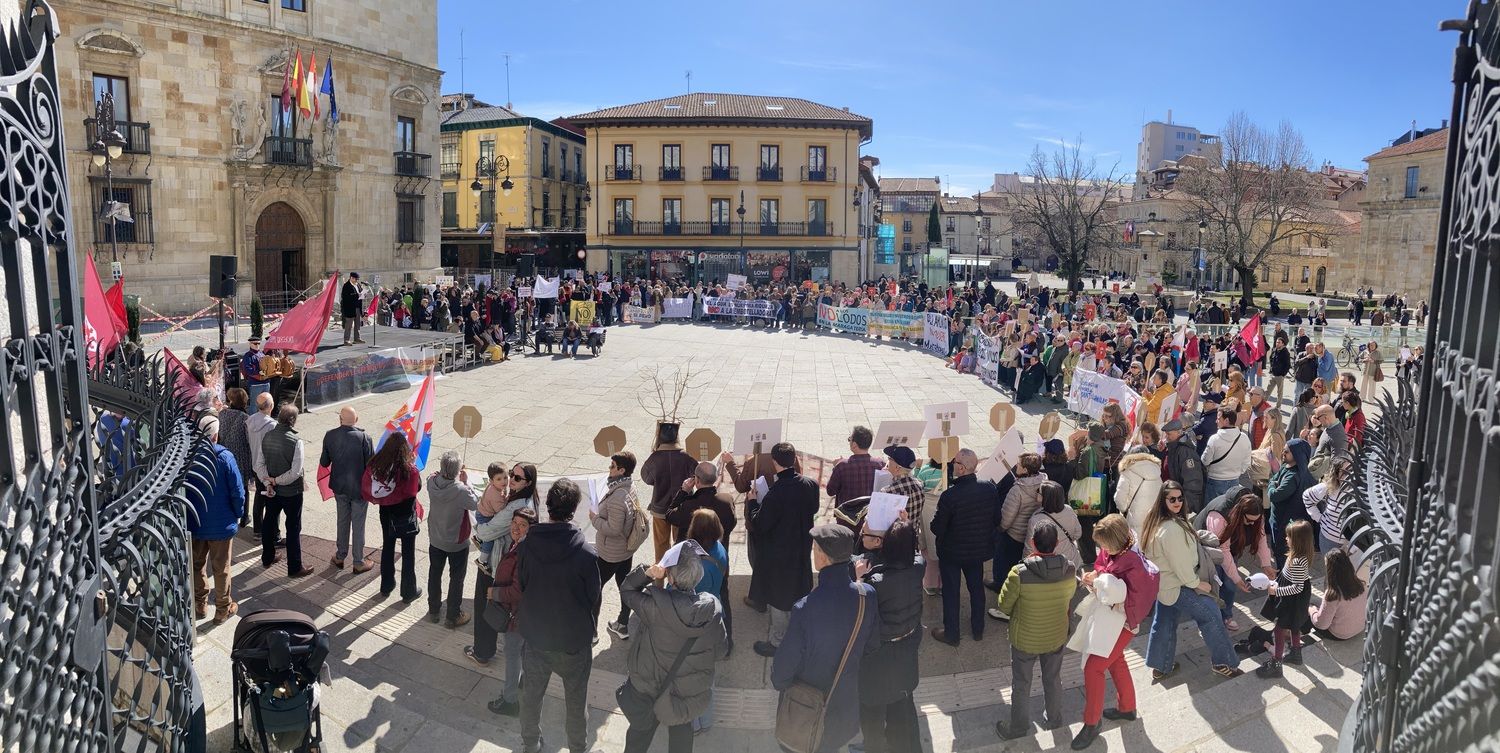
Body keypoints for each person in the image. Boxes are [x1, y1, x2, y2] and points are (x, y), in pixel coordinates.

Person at [770, 524, 878, 753]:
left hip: (807, 709)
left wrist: (781, 684)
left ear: (822, 557)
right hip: (844, 704)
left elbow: (783, 669)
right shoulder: (866, 595)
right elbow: (872, 644)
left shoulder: (805, 608)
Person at [517, 479, 603, 753]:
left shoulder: (526, 545)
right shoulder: (586, 553)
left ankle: (531, 743)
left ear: (548, 506)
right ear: (574, 510)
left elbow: (523, 583)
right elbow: (593, 597)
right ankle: (577, 747)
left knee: (531, 697)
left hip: (536, 637)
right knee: (576, 703)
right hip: (573, 641)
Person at [618, 544, 728, 753]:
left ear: (670, 577)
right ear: (698, 576)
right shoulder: (712, 611)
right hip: (686, 693)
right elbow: (721, 651)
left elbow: (627, 590)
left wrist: (649, 573)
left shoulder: (654, 606)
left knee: (639, 737)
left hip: (649, 687)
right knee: (682, 737)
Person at [1140, 482, 1244, 681]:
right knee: (1211, 615)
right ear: (1163, 500)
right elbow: (1180, 564)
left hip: (1165, 585)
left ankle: (1161, 666)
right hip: (1179, 584)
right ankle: (1224, 663)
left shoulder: (1159, 521)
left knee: (1164, 622)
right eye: (1172, 499)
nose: (1177, 502)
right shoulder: (1171, 529)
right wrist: (1197, 583)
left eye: (1180, 498)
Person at [993, 521, 1077, 739]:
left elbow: (1003, 605)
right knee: (1053, 678)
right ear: (1057, 543)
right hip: (1056, 635)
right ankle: (1054, 719)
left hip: (1025, 639)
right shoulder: (1069, 570)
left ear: (1032, 543)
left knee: (1021, 683)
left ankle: (1019, 727)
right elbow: (1069, 598)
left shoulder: (1018, 573)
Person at [855, 520, 924, 753]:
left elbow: (858, 608)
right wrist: (906, 525)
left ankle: (873, 747)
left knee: (872, 711)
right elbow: (916, 553)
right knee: (902, 707)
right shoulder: (918, 568)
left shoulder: (875, 582)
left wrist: (859, 579)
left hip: (878, 656)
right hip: (906, 651)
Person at [748, 442, 820, 657]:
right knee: (799, 591)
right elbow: (814, 508)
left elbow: (760, 524)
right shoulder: (810, 484)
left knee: (779, 597)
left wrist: (753, 503)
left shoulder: (775, 493)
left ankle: (778, 641)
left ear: (774, 462)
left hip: (779, 554)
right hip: (802, 547)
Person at [470, 463, 539, 669]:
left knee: (486, 606)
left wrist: (479, 526)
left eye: (517, 478)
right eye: (511, 474)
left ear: (528, 482)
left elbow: (486, 533)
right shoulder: (527, 498)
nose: (510, 480)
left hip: (497, 564)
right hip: (510, 561)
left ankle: (482, 652)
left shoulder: (515, 508)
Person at [930, 448, 1000, 646]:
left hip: (951, 553)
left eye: (955, 462)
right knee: (976, 589)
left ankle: (951, 634)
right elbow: (997, 519)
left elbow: (938, 528)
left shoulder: (950, 496)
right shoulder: (989, 488)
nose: (952, 464)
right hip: (977, 551)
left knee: (951, 592)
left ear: (961, 468)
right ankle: (978, 629)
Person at [666, 461, 737, 651]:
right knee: (722, 598)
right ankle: (726, 642)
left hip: (692, 564)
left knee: (691, 601)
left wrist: (683, 492)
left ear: (696, 480)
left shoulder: (690, 505)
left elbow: (670, 515)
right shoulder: (726, 500)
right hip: (719, 562)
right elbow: (731, 524)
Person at [188, 417, 245, 624]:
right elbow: (237, 491)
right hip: (221, 524)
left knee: (196, 565)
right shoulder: (225, 457)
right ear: (216, 435)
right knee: (222, 568)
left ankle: (200, 604)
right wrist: (238, 513)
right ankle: (222, 608)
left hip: (195, 522)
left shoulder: (187, 455)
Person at [485, 507, 537, 717]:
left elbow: (517, 591)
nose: (516, 528)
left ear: (530, 529)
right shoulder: (520, 545)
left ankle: (510, 701)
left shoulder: (523, 552)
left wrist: (494, 593)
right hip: (524, 614)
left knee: (512, 655)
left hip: (516, 616)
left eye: (522, 525)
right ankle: (521, 683)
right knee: (522, 652)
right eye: (514, 522)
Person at [361, 434, 422, 602]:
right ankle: (408, 592)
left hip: (386, 513)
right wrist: (413, 464)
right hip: (405, 515)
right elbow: (416, 488)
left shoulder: (377, 465)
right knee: (408, 553)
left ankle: (386, 586)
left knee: (388, 547)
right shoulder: (408, 470)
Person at [1253, 519, 1316, 678]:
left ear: (1298, 541)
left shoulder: (1298, 561)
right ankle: (1296, 653)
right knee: (1294, 626)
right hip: (1292, 599)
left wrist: (1277, 591)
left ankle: (1276, 663)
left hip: (1292, 601)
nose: (1286, 539)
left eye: (1289, 537)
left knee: (1279, 629)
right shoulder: (1296, 556)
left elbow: (1297, 587)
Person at [592, 451, 643, 641]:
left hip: (610, 553)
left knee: (595, 588)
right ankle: (622, 624)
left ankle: (592, 632)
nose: (609, 468)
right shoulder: (629, 486)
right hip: (626, 550)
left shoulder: (617, 497)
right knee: (625, 585)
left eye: (612, 466)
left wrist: (594, 519)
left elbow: (613, 529)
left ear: (622, 470)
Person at [257, 406, 312, 578]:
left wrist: (268, 482)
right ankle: (294, 567)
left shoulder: (267, 436)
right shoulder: (296, 441)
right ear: (293, 420)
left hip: (272, 491)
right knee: (293, 527)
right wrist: (276, 481)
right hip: (291, 492)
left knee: (269, 521)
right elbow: (295, 472)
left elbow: (259, 464)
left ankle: (267, 557)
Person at [426, 451, 478, 628]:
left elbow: (433, 474)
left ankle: (433, 609)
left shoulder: (431, 482)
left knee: (435, 573)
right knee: (457, 578)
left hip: (436, 538)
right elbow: (475, 503)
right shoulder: (461, 490)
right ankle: (453, 615)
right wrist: (465, 481)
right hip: (457, 542)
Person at [320, 406, 374, 573]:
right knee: (358, 525)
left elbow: (324, 462)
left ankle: (340, 556)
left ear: (340, 420)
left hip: (339, 487)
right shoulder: (365, 438)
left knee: (342, 521)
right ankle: (358, 561)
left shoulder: (330, 435)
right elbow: (371, 465)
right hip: (359, 490)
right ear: (356, 420)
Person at [991, 452, 1048, 599]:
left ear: (1025, 469)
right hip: (1033, 532)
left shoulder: (1017, 490)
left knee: (1005, 563)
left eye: (1019, 464)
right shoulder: (1044, 482)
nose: (1016, 466)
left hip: (1014, 534)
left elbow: (1006, 519)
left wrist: (999, 529)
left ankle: (1001, 586)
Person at [641, 425, 697, 565]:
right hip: (682, 506)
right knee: (680, 544)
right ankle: (678, 573)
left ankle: (661, 573)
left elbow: (647, 479)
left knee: (661, 544)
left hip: (660, 507)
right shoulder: (686, 457)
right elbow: (696, 475)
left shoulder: (654, 458)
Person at [1268, 438, 1316, 567]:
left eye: (1286, 451)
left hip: (1285, 524)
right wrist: (1273, 483)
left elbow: (1274, 495)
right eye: (1284, 450)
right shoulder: (1286, 466)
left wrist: (1272, 485)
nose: (1283, 453)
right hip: (1278, 520)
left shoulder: (1293, 476)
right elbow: (1274, 478)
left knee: (1282, 554)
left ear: (1297, 454)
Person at [1310, 548, 1367, 641]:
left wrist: (1311, 610)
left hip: (1339, 634)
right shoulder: (1361, 584)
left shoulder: (1333, 595)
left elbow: (1321, 625)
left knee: (1308, 612)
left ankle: (1296, 638)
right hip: (1360, 627)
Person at [1025, 480, 1083, 570]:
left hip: (1047, 566)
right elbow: (1078, 533)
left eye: (1039, 492)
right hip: (1071, 561)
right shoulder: (1069, 509)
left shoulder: (1035, 519)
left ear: (1044, 497)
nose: (1037, 493)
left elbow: (1029, 548)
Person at [217, 387, 253, 528]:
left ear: (232, 401)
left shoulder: (222, 414)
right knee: (243, 487)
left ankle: (230, 513)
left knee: (227, 485)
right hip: (241, 456)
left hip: (225, 453)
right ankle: (244, 516)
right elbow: (249, 440)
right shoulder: (245, 418)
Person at [1201, 406, 1252, 503]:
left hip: (1215, 482)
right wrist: (1237, 472)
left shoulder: (1214, 439)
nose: (1216, 421)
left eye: (1218, 418)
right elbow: (1247, 461)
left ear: (1226, 420)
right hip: (1235, 481)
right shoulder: (1244, 438)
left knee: (1213, 509)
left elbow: (1205, 461)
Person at [246, 391, 277, 541]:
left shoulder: (250, 420)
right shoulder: (272, 425)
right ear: (271, 406)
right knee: (272, 500)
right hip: (268, 467)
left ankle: (257, 531)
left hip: (255, 465)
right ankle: (272, 533)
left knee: (259, 496)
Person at [826, 425, 883, 506]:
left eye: (850, 439)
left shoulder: (842, 466)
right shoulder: (879, 464)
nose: (849, 442)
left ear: (854, 445)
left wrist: (835, 467)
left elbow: (830, 491)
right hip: (869, 511)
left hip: (846, 513)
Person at [1305, 459, 1353, 553]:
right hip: (1329, 541)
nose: (1348, 475)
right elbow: (1307, 496)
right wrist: (1319, 518)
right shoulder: (1329, 487)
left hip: (1352, 544)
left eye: (1350, 470)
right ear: (1336, 474)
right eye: (1344, 472)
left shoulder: (1358, 489)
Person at [1114, 448, 1163, 537]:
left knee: (1136, 544)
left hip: (1134, 519)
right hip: (1154, 518)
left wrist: (1124, 510)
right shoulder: (1156, 472)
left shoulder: (1127, 472)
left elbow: (1119, 498)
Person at [1161, 417, 1206, 513]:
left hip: (1179, 503)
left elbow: (1193, 482)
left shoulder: (1185, 452)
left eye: (1169, 434)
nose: (1166, 437)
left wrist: (1185, 506)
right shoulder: (1173, 447)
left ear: (1178, 433)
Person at [241, 335, 271, 404]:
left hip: (266, 382)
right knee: (254, 404)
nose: (257, 345)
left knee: (266, 404)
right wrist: (258, 372)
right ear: (250, 344)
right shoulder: (247, 356)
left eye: (259, 343)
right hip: (255, 384)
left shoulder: (262, 354)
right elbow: (248, 369)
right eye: (255, 343)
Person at [341, 272, 365, 345]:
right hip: (350, 308)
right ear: (351, 278)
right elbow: (345, 297)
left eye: (357, 279)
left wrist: (363, 294)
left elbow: (361, 293)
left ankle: (357, 339)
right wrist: (357, 295)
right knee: (349, 325)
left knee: (358, 324)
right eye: (355, 279)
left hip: (358, 307)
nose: (357, 281)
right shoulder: (346, 286)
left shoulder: (358, 285)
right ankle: (346, 340)